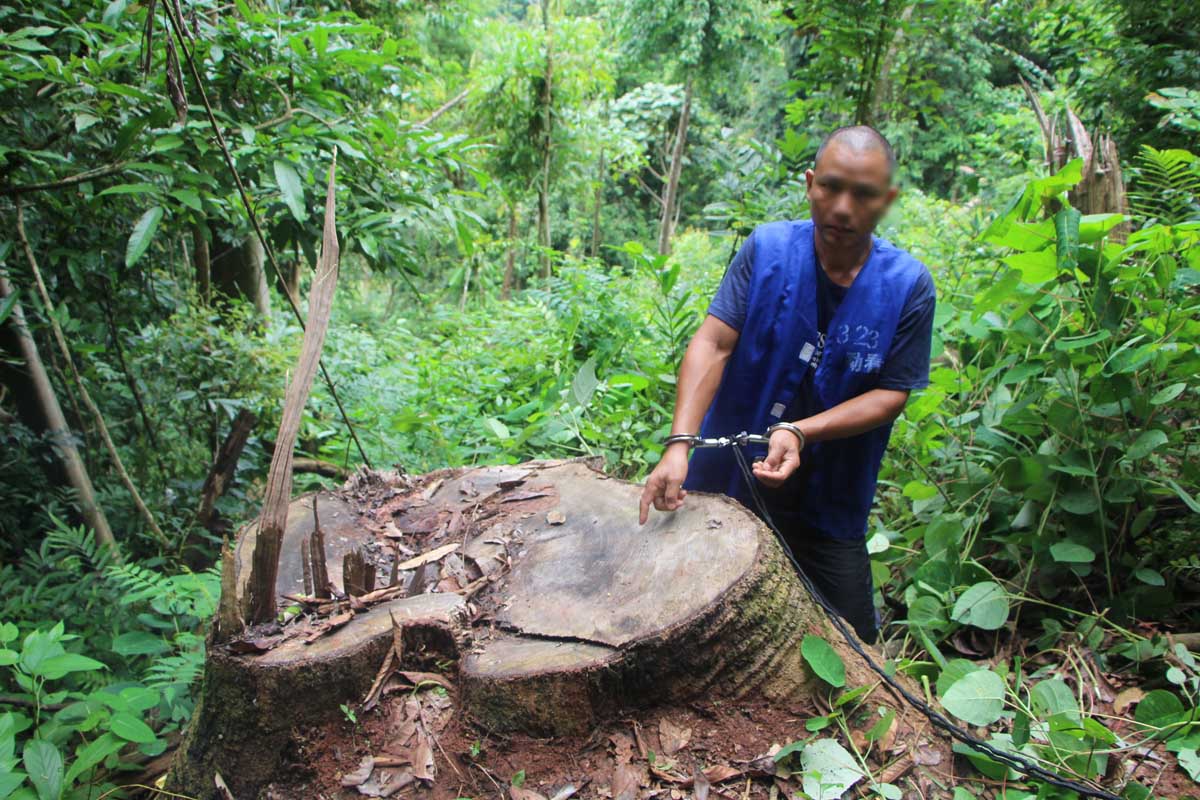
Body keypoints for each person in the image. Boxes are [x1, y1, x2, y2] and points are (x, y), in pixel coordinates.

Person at [636, 125, 936, 645]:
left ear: (886, 201)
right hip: (724, 478)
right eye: (831, 187)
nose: (843, 207)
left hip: (829, 498)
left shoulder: (907, 285)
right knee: (670, 613)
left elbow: (892, 394)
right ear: (809, 183)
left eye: (863, 194)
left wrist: (801, 432)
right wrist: (678, 445)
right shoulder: (768, 250)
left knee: (853, 647)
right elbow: (714, 344)